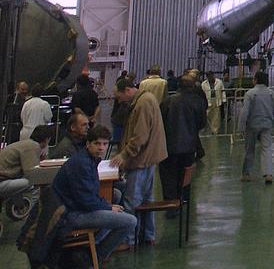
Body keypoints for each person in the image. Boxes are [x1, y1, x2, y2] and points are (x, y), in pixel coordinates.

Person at [53, 124, 137, 260]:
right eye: (97, 143)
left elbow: (89, 195)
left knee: (115, 194)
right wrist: (109, 207)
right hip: (71, 214)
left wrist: (108, 206)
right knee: (130, 221)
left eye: (105, 144)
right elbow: (86, 201)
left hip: (75, 207)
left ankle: (94, 244)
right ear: (88, 144)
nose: (101, 148)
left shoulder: (89, 159)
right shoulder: (82, 164)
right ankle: (97, 256)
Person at [111, 76, 167, 246]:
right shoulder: (146, 99)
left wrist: (124, 155)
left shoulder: (142, 104)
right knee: (146, 200)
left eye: (119, 97)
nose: (119, 101)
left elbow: (139, 136)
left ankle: (129, 240)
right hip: (148, 157)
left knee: (131, 201)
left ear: (127, 91)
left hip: (141, 159)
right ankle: (147, 235)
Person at [159, 73, 205, 207]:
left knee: (168, 176)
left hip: (169, 146)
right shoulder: (198, 102)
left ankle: (170, 204)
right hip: (190, 146)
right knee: (186, 175)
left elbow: (160, 121)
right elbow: (202, 123)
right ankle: (183, 200)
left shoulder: (168, 101)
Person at [238, 71, 274, 184]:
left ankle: (246, 174)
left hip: (252, 125)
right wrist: (272, 119)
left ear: (256, 80)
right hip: (267, 124)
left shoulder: (250, 93)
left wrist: (241, 127)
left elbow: (245, 112)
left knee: (249, 150)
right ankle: (268, 174)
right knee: (267, 148)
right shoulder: (271, 93)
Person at [0, 124, 53, 192]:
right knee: (33, 182)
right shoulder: (33, 146)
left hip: (4, 179)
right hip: (2, 181)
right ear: (47, 139)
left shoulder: (26, 144)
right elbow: (33, 174)